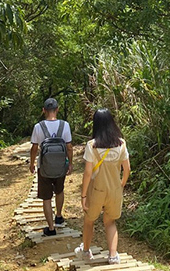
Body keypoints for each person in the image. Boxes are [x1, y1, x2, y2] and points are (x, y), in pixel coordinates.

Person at [74, 108, 130, 264]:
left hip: (97, 189)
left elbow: (87, 173)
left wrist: (83, 195)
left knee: (89, 220)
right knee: (110, 221)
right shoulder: (121, 144)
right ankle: (113, 256)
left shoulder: (92, 145)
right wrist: (122, 184)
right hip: (115, 190)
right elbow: (127, 169)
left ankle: (85, 251)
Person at [29, 97, 73, 236]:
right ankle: (59, 216)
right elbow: (69, 147)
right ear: (57, 110)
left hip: (44, 167)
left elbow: (34, 148)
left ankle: (51, 228)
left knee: (46, 197)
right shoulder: (64, 125)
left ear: (44, 110)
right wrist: (70, 163)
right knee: (59, 191)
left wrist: (31, 164)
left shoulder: (38, 127)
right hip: (60, 166)